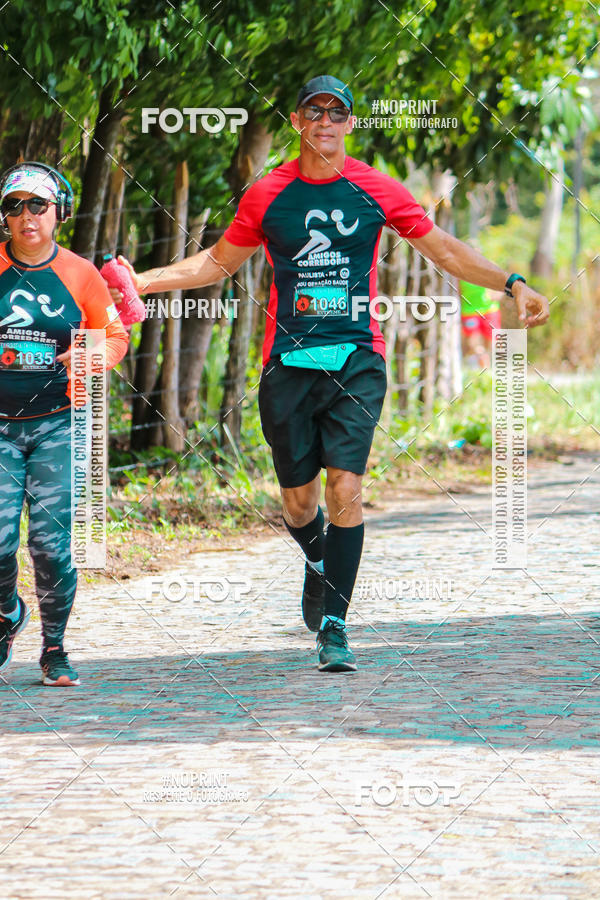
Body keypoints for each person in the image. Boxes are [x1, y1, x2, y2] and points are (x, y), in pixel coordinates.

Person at [118, 75, 549, 673]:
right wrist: (142, 280)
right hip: (288, 366)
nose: (324, 120)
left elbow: (445, 250)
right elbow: (216, 263)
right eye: (313, 110)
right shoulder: (268, 194)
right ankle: (319, 559)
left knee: (346, 488)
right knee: (298, 504)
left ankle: (336, 626)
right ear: (297, 122)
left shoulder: (375, 188)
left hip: (356, 359)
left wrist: (512, 283)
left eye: (336, 111)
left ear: (349, 123)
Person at [0, 162, 128, 685]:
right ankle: (8, 612)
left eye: (38, 205)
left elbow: (115, 337)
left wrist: (89, 358)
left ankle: (54, 649)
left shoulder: (80, 274)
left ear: (59, 212)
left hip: (61, 423)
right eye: (14, 206)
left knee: (51, 545)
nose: (26, 216)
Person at [460, 280, 502, 367]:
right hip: (469, 310)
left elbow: (502, 283)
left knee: (492, 340)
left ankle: (486, 363)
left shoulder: (490, 266)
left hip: (490, 309)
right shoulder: (460, 269)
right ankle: (481, 359)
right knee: (472, 340)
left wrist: (498, 294)